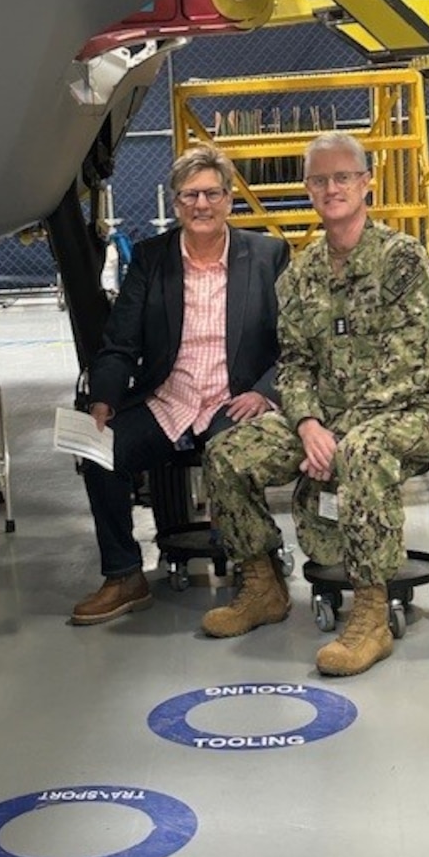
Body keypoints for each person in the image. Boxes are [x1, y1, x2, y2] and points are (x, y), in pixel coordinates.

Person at [201, 130, 429, 676]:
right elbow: (294, 365)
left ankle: (370, 614)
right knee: (227, 452)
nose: (331, 187)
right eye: (320, 179)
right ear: (308, 189)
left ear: (366, 183)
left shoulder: (402, 261)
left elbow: (406, 371)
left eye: (343, 177)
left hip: (407, 416)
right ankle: (262, 583)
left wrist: (330, 435)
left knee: (359, 451)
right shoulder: (299, 276)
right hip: (323, 422)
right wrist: (310, 423)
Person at [70, 144, 290, 625]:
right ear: (175, 203)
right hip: (171, 395)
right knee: (98, 451)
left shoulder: (268, 255)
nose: (201, 205)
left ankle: (261, 567)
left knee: (229, 453)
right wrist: (102, 399)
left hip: (236, 398)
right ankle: (124, 574)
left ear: (229, 199)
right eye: (189, 195)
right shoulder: (152, 259)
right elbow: (119, 343)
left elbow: (294, 344)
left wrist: (266, 392)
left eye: (211, 193)